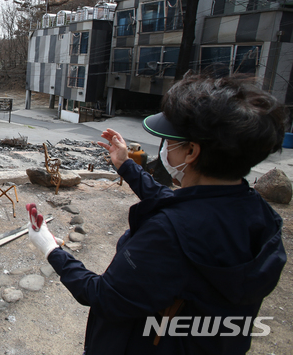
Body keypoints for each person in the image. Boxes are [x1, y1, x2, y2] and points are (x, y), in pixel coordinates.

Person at [27, 74, 287, 354]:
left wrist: (51, 248)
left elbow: (104, 297)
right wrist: (125, 165)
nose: (163, 147)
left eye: (168, 140)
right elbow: (175, 202)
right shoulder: (261, 216)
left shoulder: (168, 234)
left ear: (191, 151)